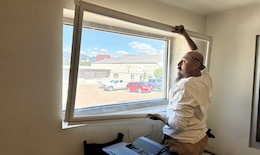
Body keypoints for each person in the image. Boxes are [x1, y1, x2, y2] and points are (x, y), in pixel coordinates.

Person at [148, 25, 213, 155]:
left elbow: (178, 124)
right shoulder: (205, 76)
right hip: (198, 138)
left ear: (195, 66)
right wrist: (185, 35)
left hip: (182, 144)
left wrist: (160, 116)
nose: (178, 64)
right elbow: (195, 52)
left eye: (182, 61)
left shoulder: (187, 87)